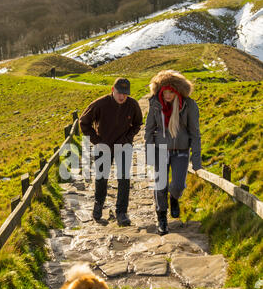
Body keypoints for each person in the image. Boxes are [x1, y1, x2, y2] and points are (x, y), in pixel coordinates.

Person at [144, 69, 202, 235]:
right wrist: (149, 153)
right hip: (160, 149)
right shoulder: (155, 104)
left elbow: (195, 133)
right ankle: (161, 217)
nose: (168, 96)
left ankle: (174, 198)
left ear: (177, 91)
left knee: (177, 185)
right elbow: (149, 129)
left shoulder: (189, 105)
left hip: (181, 150)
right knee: (160, 185)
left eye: (171, 92)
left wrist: (197, 162)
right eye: (165, 92)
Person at [80, 77, 143, 226]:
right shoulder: (100, 104)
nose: (122, 96)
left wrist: (127, 138)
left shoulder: (132, 105)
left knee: (124, 179)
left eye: (125, 93)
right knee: (102, 177)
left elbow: (138, 124)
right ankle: (98, 205)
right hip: (103, 147)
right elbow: (84, 122)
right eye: (119, 93)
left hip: (123, 146)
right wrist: (97, 141)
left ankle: (121, 212)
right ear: (112, 90)